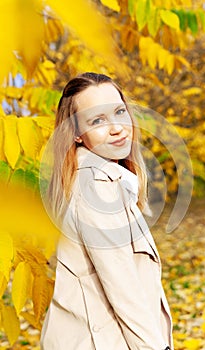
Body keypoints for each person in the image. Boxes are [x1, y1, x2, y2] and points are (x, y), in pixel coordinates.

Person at [40, 72, 173, 350]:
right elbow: (123, 288)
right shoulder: (98, 187)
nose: (116, 128)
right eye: (98, 120)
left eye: (119, 112)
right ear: (76, 133)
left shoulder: (94, 177)